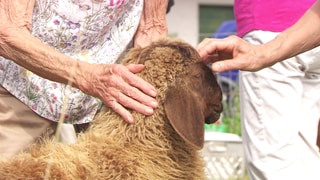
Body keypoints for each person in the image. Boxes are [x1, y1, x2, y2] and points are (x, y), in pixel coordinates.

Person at [0, 0, 173, 158]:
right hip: (25, 80)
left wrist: (149, 89)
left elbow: (151, 28)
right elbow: (7, 33)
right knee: (11, 168)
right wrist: (86, 76)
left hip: (108, 85)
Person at [197, 0, 320, 179]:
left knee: (273, 165)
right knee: (306, 158)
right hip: (313, 27)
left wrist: (263, 52)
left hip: (271, 23)